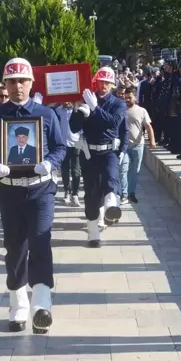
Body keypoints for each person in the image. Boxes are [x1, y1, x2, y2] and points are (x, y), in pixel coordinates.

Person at [0, 57, 66, 332]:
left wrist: (50, 163)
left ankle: (42, 305)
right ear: (5, 84)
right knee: (15, 247)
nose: (18, 86)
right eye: (12, 81)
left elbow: (60, 147)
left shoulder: (46, 114)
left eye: (23, 80)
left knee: (41, 243)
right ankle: (18, 304)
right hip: (10, 191)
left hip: (41, 188)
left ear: (31, 82)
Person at [70, 66, 126, 247]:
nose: (104, 86)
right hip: (89, 152)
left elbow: (114, 122)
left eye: (108, 83)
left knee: (111, 177)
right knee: (92, 193)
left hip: (109, 150)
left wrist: (95, 109)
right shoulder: (86, 99)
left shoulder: (118, 103)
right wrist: (80, 110)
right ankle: (93, 232)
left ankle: (111, 205)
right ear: (96, 82)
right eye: (101, 82)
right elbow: (73, 127)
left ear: (112, 85)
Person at [123, 87, 156, 202]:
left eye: (129, 97)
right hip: (124, 146)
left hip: (138, 145)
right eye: (125, 97)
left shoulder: (142, 111)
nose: (127, 100)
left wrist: (152, 141)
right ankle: (124, 193)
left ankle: (131, 192)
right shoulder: (121, 109)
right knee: (123, 169)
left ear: (135, 97)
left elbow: (148, 126)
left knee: (134, 171)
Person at [54, 102, 81, 206]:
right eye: (65, 100)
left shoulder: (78, 110)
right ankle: (67, 191)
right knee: (65, 170)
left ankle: (75, 194)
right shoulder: (59, 110)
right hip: (63, 144)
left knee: (76, 170)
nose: (67, 102)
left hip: (76, 143)